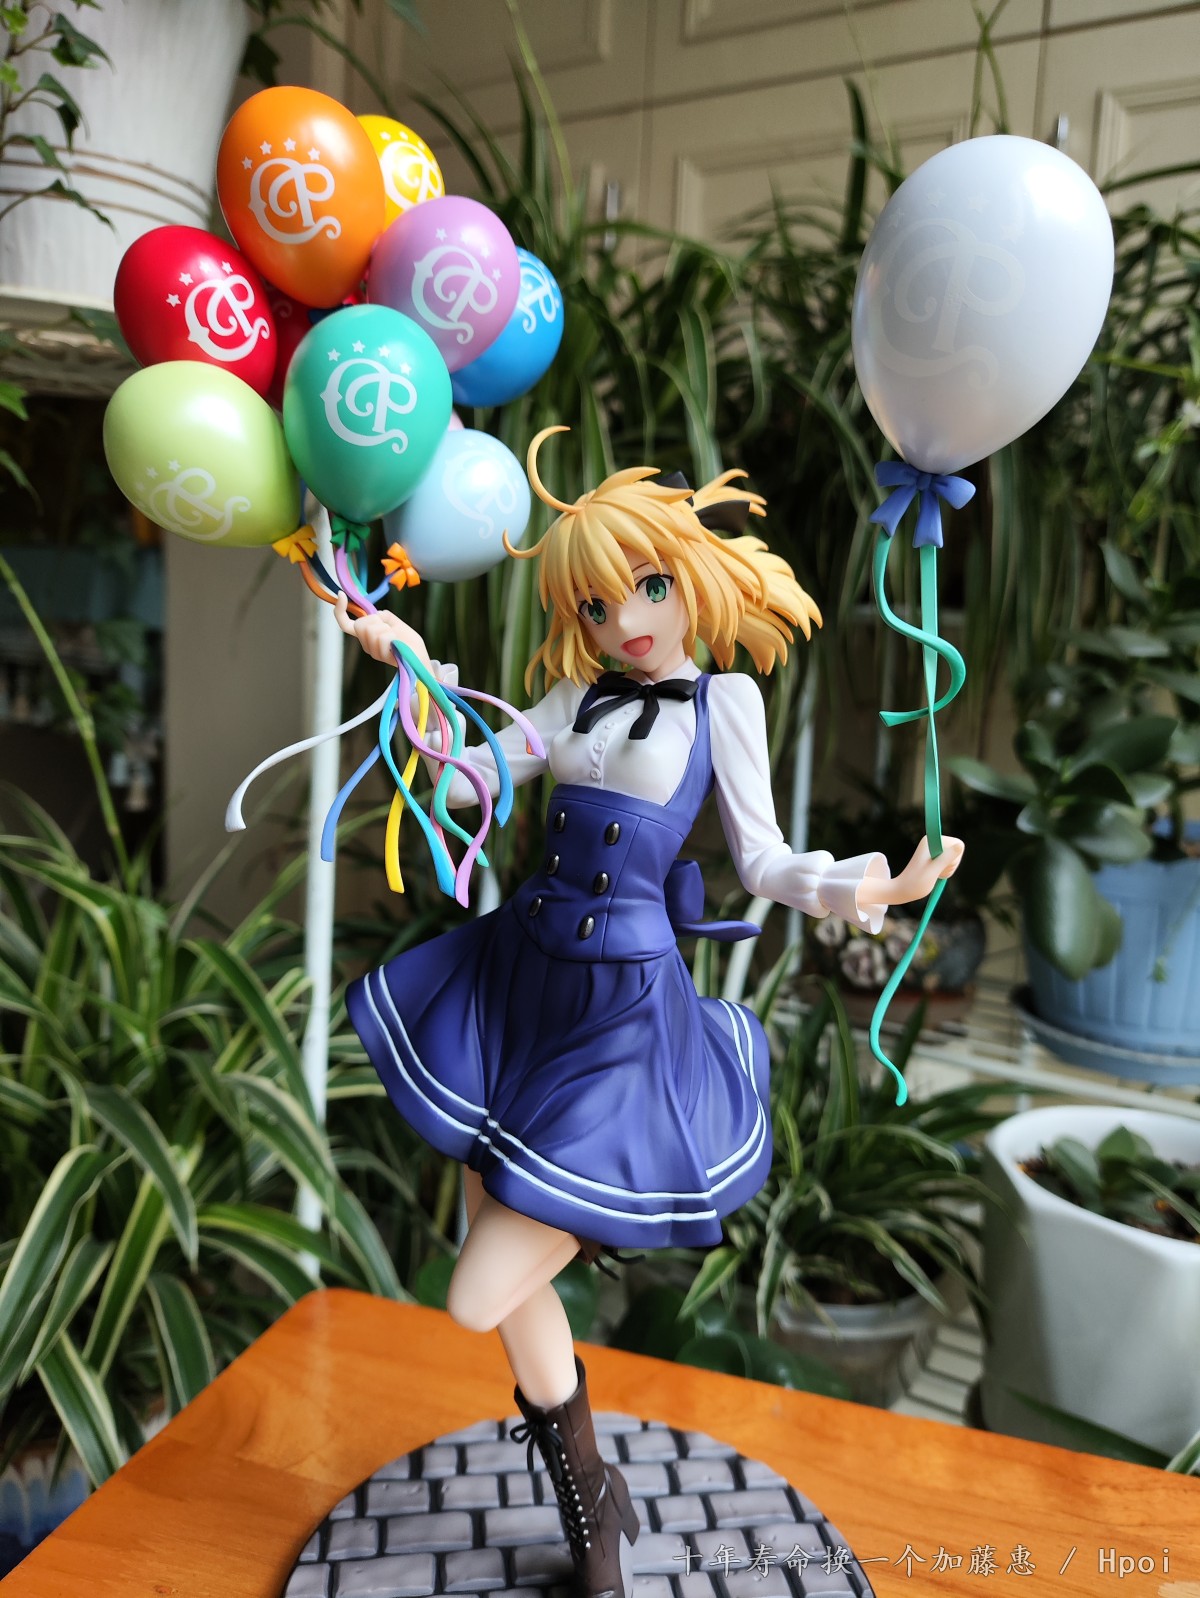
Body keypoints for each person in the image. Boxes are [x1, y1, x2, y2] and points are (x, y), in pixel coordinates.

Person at [335, 426, 963, 1598]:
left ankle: (595, 1233)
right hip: (520, 984)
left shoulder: (725, 702)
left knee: (479, 1288)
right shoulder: (574, 695)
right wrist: (408, 664)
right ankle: (595, 1509)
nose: (623, 619)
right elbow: (469, 771)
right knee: (506, 1271)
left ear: (693, 577)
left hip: (618, 1013)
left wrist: (869, 886)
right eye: (594, 603)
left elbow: (764, 858)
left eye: (649, 587)